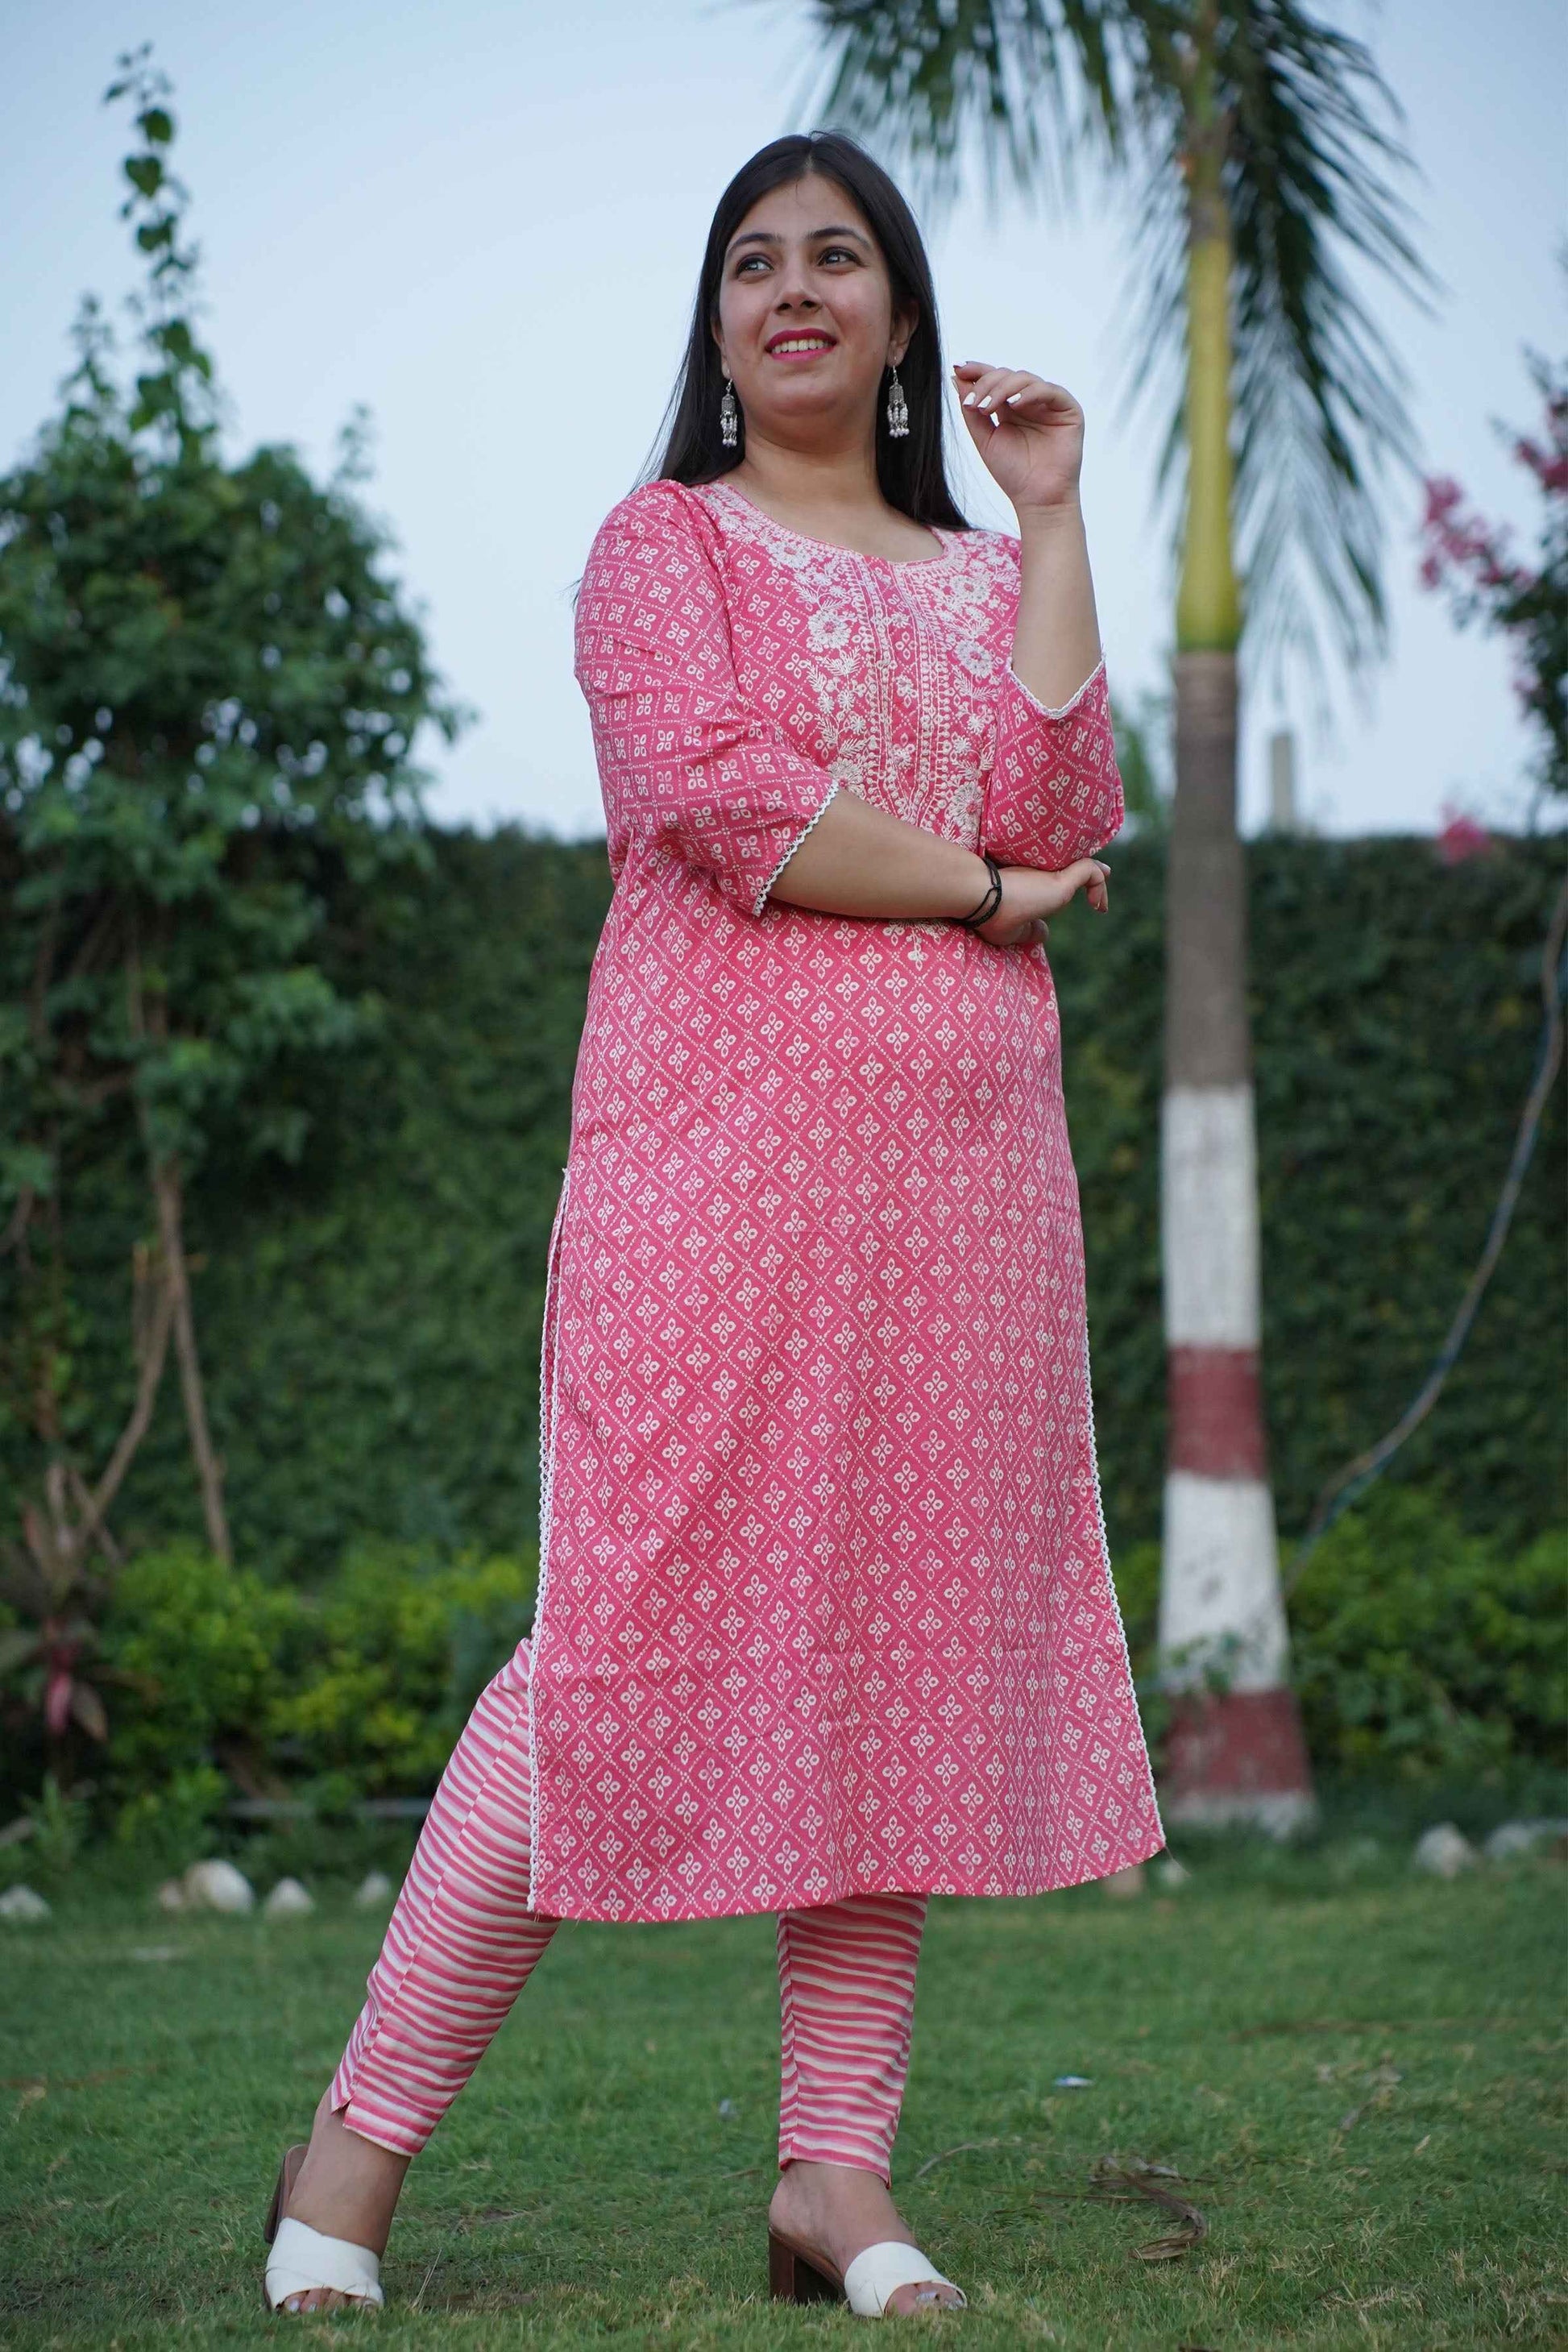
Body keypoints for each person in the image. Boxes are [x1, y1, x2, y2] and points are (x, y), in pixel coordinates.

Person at [261, 128, 1163, 2322]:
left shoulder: (983, 570)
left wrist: (1051, 516)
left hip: (962, 1207)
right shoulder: (660, 548)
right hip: (713, 1191)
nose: (792, 290)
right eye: (753, 261)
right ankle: (347, 2161)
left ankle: (831, 2181)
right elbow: (724, 801)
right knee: (606, 1658)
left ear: (901, 317)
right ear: (719, 321)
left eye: (836, 256)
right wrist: (977, 889)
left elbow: (1064, 802)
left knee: (894, 1662)